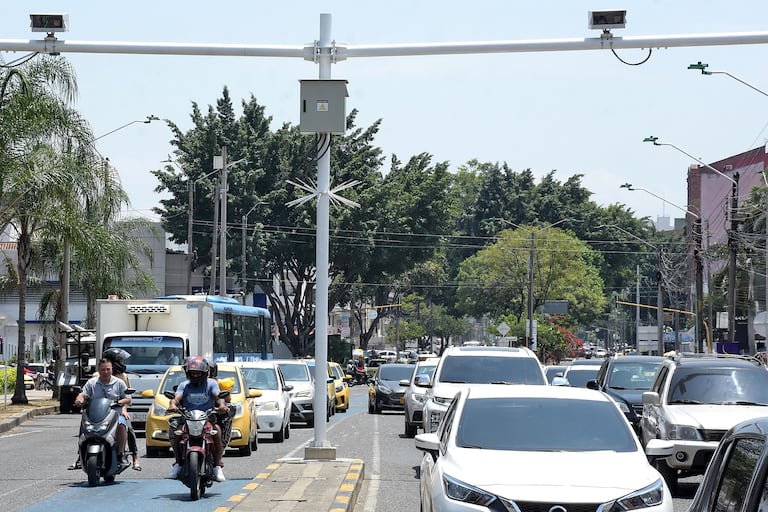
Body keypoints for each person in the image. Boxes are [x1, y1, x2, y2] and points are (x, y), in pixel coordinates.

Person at [166, 356, 228, 482]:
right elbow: (177, 398)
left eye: (198, 373)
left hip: (207, 418)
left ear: (205, 373)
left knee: (216, 431)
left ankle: (217, 465)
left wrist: (221, 405)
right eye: (193, 373)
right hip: (188, 418)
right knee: (177, 432)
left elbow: (218, 396)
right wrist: (172, 405)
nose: (195, 375)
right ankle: (178, 464)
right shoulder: (184, 385)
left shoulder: (211, 384)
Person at [72, 358, 131, 469]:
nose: (105, 372)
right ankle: (80, 455)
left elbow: (128, 399)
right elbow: (83, 394)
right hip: (95, 414)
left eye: (108, 369)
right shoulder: (92, 383)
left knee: (122, 425)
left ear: (112, 370)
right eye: (103, 370)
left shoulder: (119, 383)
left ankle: (120, 454)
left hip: (115, 414)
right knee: (83, 425)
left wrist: (119, 402)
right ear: (99, 370)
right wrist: (79, 400)